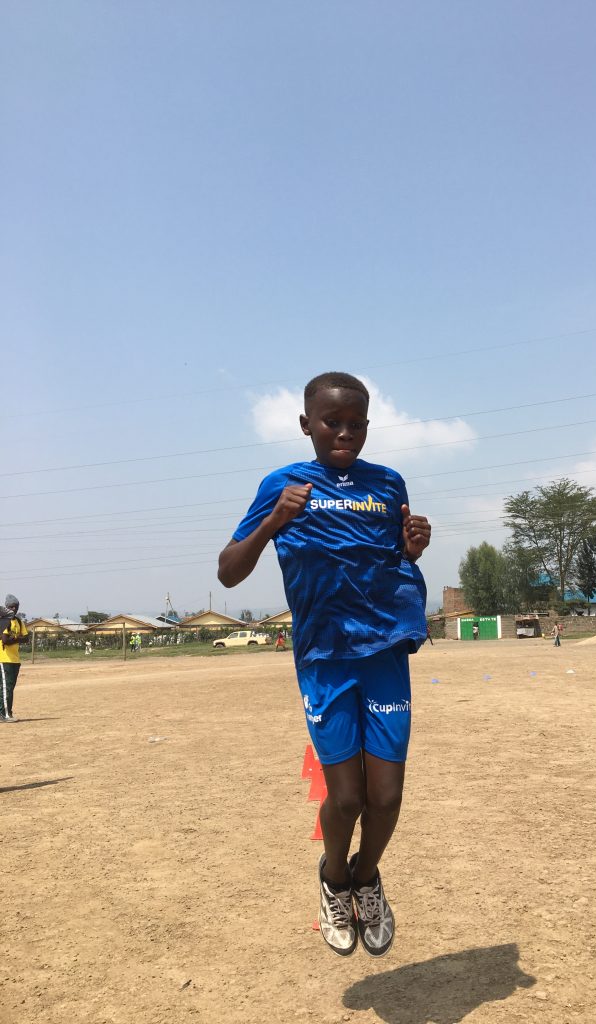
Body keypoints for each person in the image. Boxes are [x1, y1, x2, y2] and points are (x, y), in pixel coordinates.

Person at [217, 371, 430, 959]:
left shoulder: (387, 484)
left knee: (385, 798)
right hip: (324, 659)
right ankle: (334, 877)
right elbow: (228, 571)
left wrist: (410, 549)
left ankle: (366, 878)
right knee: (347, 799)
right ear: (306, 424)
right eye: (331, 423)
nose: (344, 433)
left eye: (355, 424)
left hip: (384, 653)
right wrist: (273, 521)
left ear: (367, 426)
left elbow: (393, 563)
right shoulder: (282, 485)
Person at [0, 594, 30, 722]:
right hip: (4, 659)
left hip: (15, 660)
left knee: (9, 687)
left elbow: (27, 638)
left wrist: (15, 638)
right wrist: (18, 638)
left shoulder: (18, 621)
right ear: (6, 608)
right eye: (11, 607)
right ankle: (6, 714)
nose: (13, 609)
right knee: (6, 688)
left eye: (15, 607)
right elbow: (5, 640)